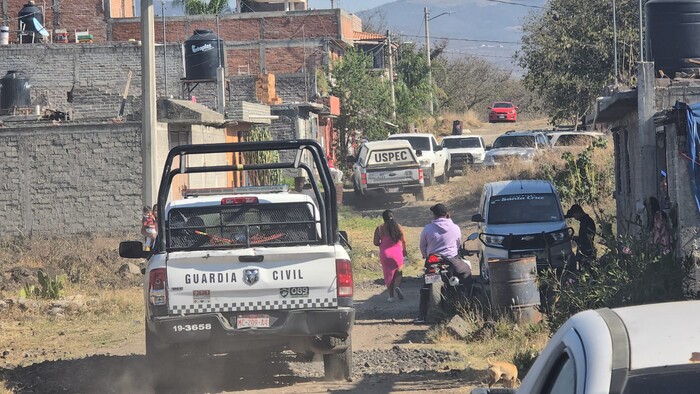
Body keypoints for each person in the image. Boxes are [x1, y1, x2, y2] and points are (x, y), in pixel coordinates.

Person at [415, 203, 472, 324]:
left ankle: (421, 315)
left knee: (426, 286)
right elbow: (457, 245)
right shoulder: (455, 227)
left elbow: (422, 246)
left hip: (433, 261)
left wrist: (426, 256)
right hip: (452, 260)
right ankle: (468, 304)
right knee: (466, 272)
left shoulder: (427, 228)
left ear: (434, 215)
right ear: (447, 214)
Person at [373, 210, 407, 302]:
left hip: (385, 254)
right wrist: (404, 251)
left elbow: (376, 242)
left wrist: (382, 242)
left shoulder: (379, 228)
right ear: (393, 216)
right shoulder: (398, 227)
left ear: (383, 218)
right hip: (397, 253)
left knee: (388, 274)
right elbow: (403, 241)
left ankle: (391, 296)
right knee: (398, 271)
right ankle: (397, 287)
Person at [565, 204, 596, 271]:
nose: (575, 218)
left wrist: (577, 239)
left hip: (587, 250)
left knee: (587, 270)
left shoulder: (587, 222)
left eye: (574, 216)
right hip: (584, 249)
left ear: (578, 212)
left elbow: (587, 238)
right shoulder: (584, 221)